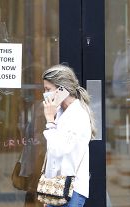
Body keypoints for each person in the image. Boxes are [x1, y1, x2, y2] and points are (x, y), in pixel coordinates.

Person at [41, 64, 96, 207]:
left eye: (48, 89)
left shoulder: (78, 115)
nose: (45, 94)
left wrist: (50, 122)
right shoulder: (59, 112)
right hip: (55, 188)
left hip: (72, 191)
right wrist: (48, 191)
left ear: (61, 89)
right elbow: (52, 156)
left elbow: (59, 150)